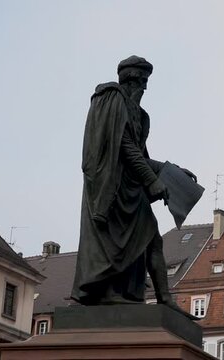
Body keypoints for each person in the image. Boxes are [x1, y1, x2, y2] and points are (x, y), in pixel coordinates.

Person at [71, 56, 196, 315]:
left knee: (152, 239)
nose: (145, 89)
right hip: (111, 188)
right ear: (133, 79)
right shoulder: (111, 98)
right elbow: (123, 146)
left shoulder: (139, 114)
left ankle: (164, 299)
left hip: (130, 188)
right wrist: (152, 179)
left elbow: (138, 152)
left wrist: (168, 171)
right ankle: (121, 295)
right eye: (143, 81)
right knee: (134, 242)